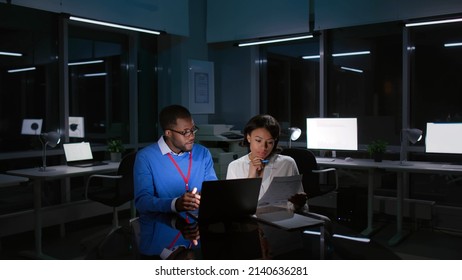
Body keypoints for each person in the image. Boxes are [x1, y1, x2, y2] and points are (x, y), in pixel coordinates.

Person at [134, 104, 218, 214]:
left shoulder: (202, 153)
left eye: (193, 130)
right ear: (168, 133)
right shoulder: (145, 157)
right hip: (162, 223)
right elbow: (142, 202)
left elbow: (213, 189)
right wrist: (175, 204)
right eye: (185, 132)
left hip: (198, 221)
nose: (192, 136)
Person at [226, 114, 308, 210]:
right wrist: (251, 175)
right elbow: (233, 208)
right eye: (258, 140)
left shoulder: (287, 163)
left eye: (269, 142)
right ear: (249, 137)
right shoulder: (235, 166)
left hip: (281, 219)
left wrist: (299, 204)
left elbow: (303, 207)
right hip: (250, 221)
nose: (264, 147)